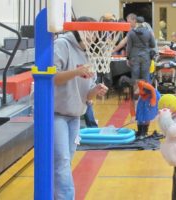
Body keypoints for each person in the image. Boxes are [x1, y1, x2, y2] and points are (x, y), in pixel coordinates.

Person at [53, 16, 108, 199]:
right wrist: (77, 71)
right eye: (91, 31)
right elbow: (53, 78)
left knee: (66, 160)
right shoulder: (62, 44)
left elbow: (87, 95)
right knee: (62, 160)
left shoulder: (89, 52)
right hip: (56, 114)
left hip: (75, 115)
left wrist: (96, 90)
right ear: (81, 31)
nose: (94, 36)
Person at [126, 16, 156, 84]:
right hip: (146, 57)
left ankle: (136, 93)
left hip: (134, 57)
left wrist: (127, 58)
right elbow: (153, 45)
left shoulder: (131, 33)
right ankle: (146, 93)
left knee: (135, 77)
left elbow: (129, 47)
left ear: (136, 22)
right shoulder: (148, 32)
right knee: (145, 76)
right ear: (143, 23)